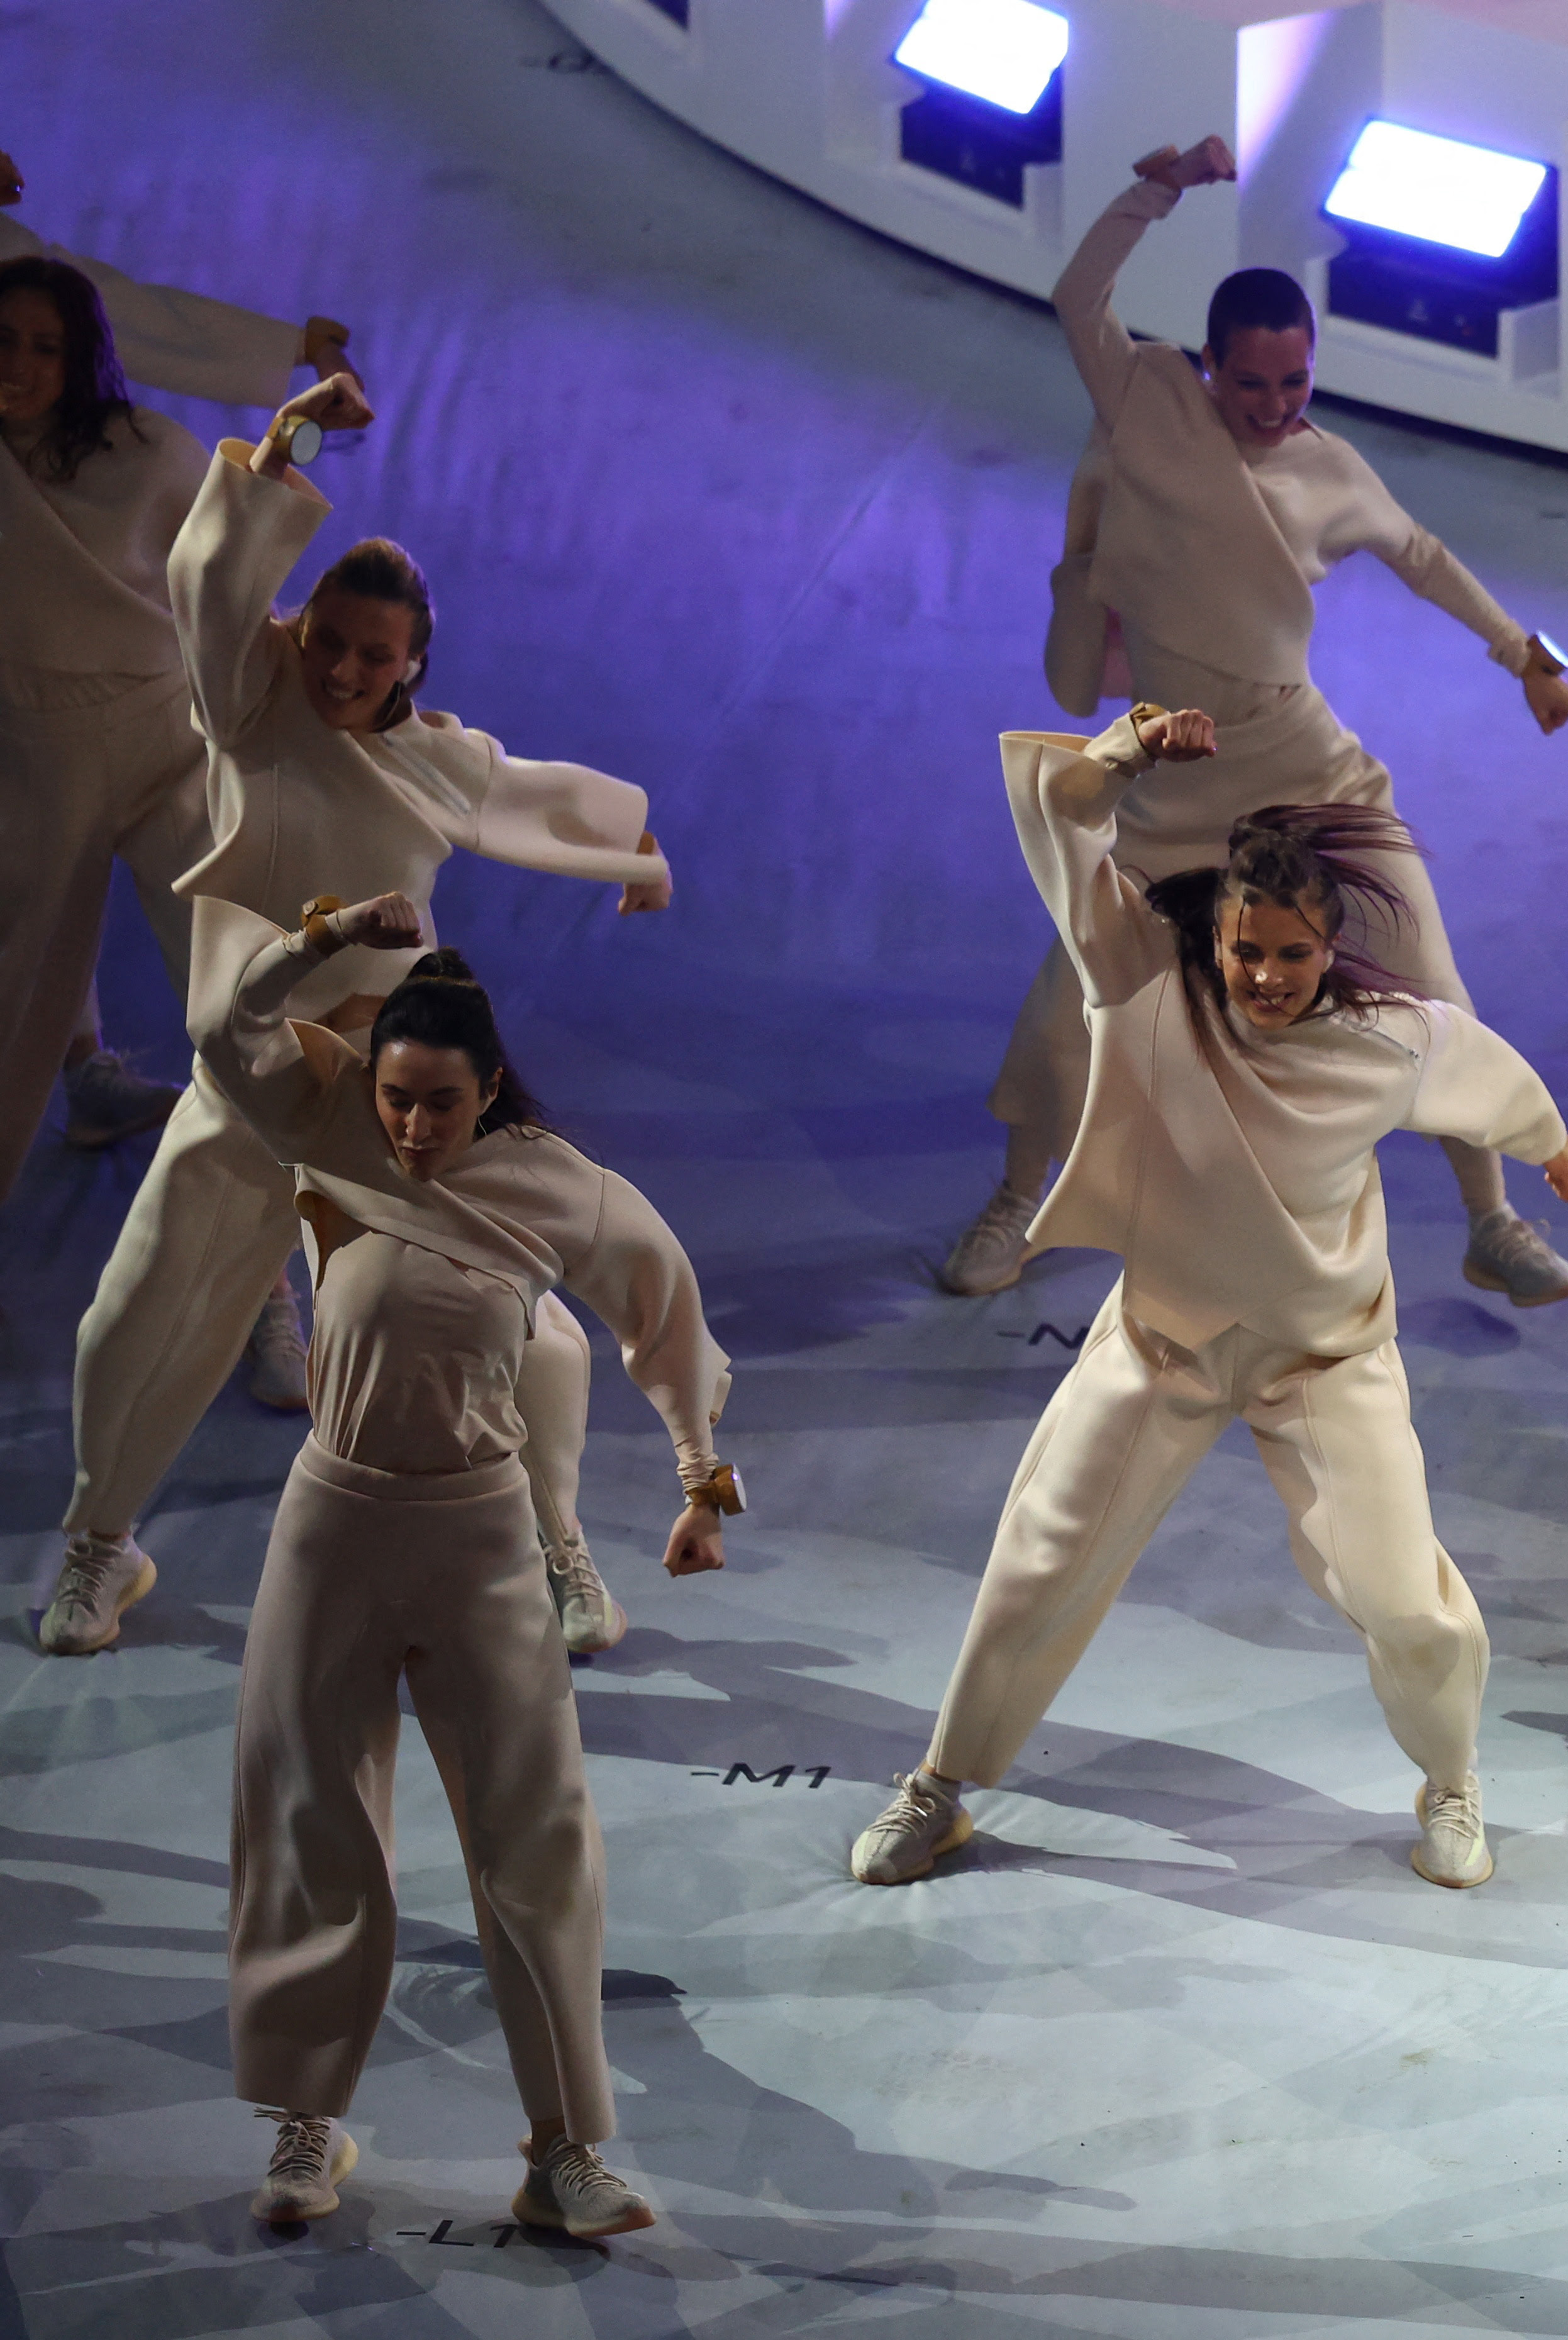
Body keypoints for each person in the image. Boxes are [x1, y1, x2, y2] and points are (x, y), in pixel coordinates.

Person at [854, 715, 1568, 1893]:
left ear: (1328, 948)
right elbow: (1060, 821)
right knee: (1039, 1561)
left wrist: (1549, 1144)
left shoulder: (1384, 1043)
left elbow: (1481, 1070)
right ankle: (941, 1784)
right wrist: (1131, 743)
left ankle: (1451, 1778)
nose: (1263, 976)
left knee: (1409, 1601)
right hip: (1166, 1338)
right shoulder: (1145, 984)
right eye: (1247, 949)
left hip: (1326, 1356)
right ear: (1221, 933)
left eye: (1291, 956)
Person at [38, 371, 675, 1666]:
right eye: (326, 637)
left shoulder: (434, 757)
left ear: (413, 665)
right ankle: (102, 1543)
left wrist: (640, 855)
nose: (338, 668)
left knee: (513, 1317)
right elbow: (208, 584)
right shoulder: (250, 694)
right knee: (139, 1316)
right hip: (248, 1074)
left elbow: (541, 798)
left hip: (387, 1100)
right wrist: (288, 443)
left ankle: (555, 1545)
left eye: (370, 656)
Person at [942, 135, 1568, 1311]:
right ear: (1204, 366)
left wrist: (1529, 656)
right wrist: (1161, 188)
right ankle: (1020, 1200)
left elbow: (1426, 560)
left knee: (1427, 979)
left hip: (1305, 763)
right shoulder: (1142, 401)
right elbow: (1077, 293)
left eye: (1297, 385)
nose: (1277, 407)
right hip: (1169, 767)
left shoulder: (1330, 467)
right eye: (1253, 385)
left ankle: (1491, 1217)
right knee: (1072, 1001)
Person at [194, 891, 738, 2234]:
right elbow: (222, 1030)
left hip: (482, 1538)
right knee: (311, 1815)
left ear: (488, 1090)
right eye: (395, 1099)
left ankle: (564, 2152)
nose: (413, 1128)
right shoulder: (326, 1124)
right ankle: (306, 2128)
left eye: (440, 1104)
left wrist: (695, 1477)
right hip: (331, 1527)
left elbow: (665, 1313)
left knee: (533, 1836)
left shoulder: (556, 1184)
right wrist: (317, 946)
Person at [0, 154, 356, 1176]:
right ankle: (80, 1068)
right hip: (30, 738)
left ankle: (270, 1277)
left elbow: (115, 312)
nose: (21, 364)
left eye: (42, 350)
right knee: (19, 970)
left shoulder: (138, 448)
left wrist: (286, 368)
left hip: (160, 726)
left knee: (243, 974)